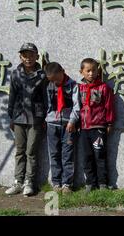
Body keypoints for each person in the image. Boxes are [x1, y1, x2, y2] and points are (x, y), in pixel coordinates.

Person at [6, 43, 48, 196]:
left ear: (37, 56)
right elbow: (12, 95)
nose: (28, 58)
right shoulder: (15, 74)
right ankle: (18, 181)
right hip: (18, 117)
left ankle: (29, 182)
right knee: (20, 150)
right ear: (20, 57)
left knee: (31, 151)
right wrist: (11, 116)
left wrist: (45, 117)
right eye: (25, 55)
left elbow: (46, 97)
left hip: (36, 118)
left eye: (31, 55)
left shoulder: (42, 75)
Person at [79, 58, 115, 192]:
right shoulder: (79, 88)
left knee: (100, 156)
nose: (91, 73)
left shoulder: (103, 87)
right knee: (87, 156)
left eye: (94, 70)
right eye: (88, 71)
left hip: (98, 127)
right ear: (81, 72)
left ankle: (103, 183)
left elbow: (109, 106)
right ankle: (90, 183)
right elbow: (77, 107)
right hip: (83, 128)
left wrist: (109, 122)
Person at [44, 62, 80, 194]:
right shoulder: (48, 85)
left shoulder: (73, 85)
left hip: (68, 125)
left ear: (63, 72)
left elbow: (77, 105)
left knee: (68, 154)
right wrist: (46, 119)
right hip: (52, 124)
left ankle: (67, 184)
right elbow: (46, 103)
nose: (55, 82)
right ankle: (56, 182)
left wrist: (72, 121)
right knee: (54, 154)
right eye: (52, 80)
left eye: (57, 79)